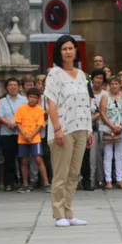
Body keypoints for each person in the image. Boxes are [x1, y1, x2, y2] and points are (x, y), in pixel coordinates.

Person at [45, 34, 94, 227]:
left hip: (81, 127)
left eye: (71, 48)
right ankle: (59, 214)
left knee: (74, 174)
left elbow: (86, 103)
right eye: (64, 49)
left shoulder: (82, 75)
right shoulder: (54, 74)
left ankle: (69, 211)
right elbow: (51, 102)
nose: (68, 52)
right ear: (59, 52)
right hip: (63, 129)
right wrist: (57, 129)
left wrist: (89, 130)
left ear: (75, 50)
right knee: (61, 174)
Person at [15, 88, 49, 194]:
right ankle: (25, 184)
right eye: (31, 97)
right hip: (22, 138)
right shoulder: (21, 108)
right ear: (27, 97)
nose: (32, 99)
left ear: (38, 99)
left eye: (35, 97)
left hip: (35, 138)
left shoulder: (40, 110)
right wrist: (24, 134)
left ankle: (46, 183)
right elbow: (18, 122)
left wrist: (31, 135)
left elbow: (40, 125)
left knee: (38, 159)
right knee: (24, 161)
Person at [99, 75, 122, 189]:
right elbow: (102, 112)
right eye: (112, 84)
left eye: (116, 83)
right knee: (108, 154)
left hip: (121, 128)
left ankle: (119, 179)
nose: (114, 86)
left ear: (120, 85)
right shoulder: (105, 96)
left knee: (119, 154)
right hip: (107, 127)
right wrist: (111, 126)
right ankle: (108, 180)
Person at [0, 78, 25, 192]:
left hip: (21, 133)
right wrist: (8, 123)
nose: (13, 87)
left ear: (19, 87)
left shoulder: (24, 100)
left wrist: (18, 124)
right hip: (6, 133)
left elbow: (27, 114)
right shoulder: (2, 101)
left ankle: (23, 182)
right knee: (9, 159)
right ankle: (9, 183)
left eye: (15, 85)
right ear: (6, 88)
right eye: (10, 85)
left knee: (22, 158)